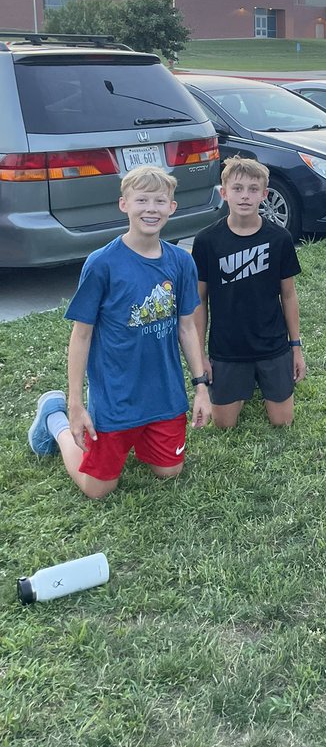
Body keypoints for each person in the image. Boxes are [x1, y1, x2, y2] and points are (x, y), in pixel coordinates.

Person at [27, 166, 211, 499]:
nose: (151, 209)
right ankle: (54, 419)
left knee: (169, 472)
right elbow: (81, 335)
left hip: (164, 396)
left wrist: (201, 387)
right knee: (98, 489)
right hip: (115, 399)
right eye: (142, 200)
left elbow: (186, 327)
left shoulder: (182, 262)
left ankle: (142, 438)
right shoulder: (102, 264)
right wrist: (74, 405)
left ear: (172, 207)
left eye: (159, 201)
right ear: (123, 204)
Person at [192, 156, 304, 429]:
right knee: (224, 425)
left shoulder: (279, 238)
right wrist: (200, 357)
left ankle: (261, 381)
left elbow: (288, 295)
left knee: (283, 422)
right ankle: (242, 385)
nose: (245, 196)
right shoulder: (207, 241)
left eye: (253, 189)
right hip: (227, 348)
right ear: (224, 193)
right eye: (237, 188)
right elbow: (199, 301)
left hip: (272, 345)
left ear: (264, 194)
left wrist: (296, 348)